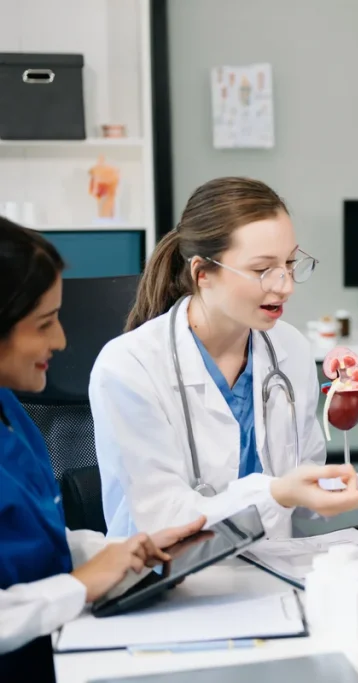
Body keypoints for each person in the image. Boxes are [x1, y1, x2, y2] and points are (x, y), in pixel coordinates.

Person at [90, 177, 358, 539]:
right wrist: (277, 492)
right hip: (171, 582)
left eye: (290, 263)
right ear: (202, 273)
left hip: (273, 575)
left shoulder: (290, 348)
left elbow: (301, 486)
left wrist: (329, 488)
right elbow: (163, 518)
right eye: (263, 270)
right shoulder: (130, 366)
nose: (285, 285)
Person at [0, 218, 205, 677]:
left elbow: (30, 543)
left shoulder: (10, 413)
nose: (61, 341)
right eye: (45, 323)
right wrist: (78, 586)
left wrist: (125, 549)